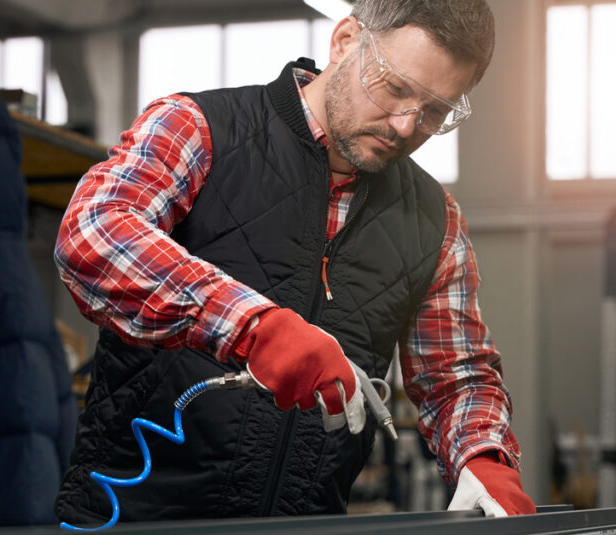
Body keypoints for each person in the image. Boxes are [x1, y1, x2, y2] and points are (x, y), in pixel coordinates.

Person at [54, 0, 535, 524]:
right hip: (131, 515)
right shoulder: (200, 128)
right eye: (395, 88)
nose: (404, 126)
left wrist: (484, 458)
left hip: (305, 523)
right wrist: (256, 329)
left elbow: (456, 376)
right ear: (346, 41)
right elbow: (94, 232)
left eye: (434, 112)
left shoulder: (435, 220)